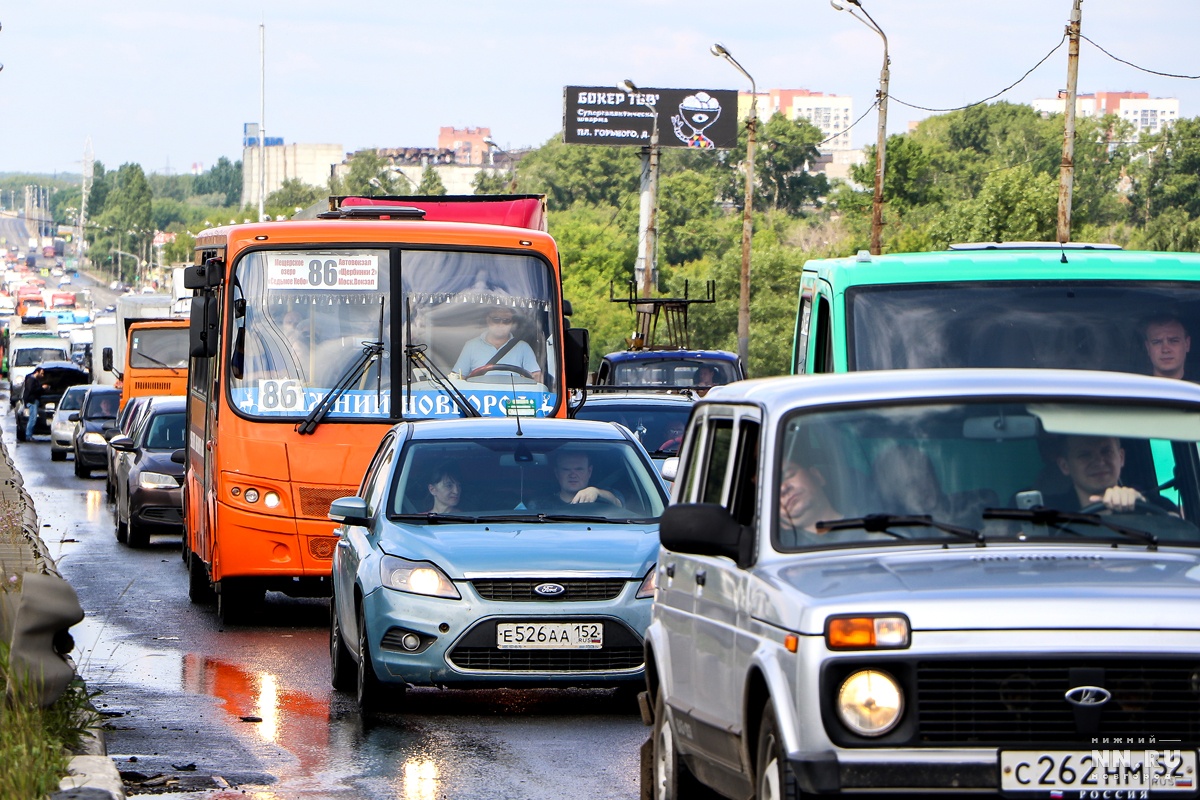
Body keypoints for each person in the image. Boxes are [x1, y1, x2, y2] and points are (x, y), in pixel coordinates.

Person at [1043, 434, 1175, 513]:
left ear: (1121, 457)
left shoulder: (1156, 506)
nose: (1099, 462)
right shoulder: (1048, 514)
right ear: (1064, 466)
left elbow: (1180, 530)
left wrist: (1141, 507)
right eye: (1085, 455)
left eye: (1106, 451)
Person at [452, 309, 541, 383]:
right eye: (496, 319)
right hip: (476, 401)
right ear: (488, 320)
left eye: (506, 321)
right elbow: (458, 378)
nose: (501, 324)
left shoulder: (523, 347)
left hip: (513, 401)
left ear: (512, 323)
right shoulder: (471, 346)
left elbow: (537, 378)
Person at [778, 458, 841, 542]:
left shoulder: (862, 522)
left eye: (789, 475)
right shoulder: (782, 549)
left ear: (817, 476)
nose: (783, 488)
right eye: (772, 491)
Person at [537, 450, 622, 508]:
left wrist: (596, 491)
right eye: (566, 469)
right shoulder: (542, 505)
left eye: (579, 469)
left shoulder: (602, 499)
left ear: (589, 471)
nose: (573, 475)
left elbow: (618, 503)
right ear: (557, 473)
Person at [1143, 314, 1191, 381]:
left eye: (1174, 341)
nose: (1165, 350)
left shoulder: (1196, 388)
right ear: (1148, 348)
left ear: (1187, 344)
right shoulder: (1135, 389)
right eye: (1157, 342)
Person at [22, 367, 47, 440]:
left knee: (33, 418)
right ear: (37, 372)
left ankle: (29, 435)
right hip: (32, 401)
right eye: (41, 373)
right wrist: (42, 388)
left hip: (33, 401)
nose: (43, 375)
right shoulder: (31, 380)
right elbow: (32, 390)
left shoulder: (34, 380)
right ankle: (28, 435)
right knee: (32, 419)